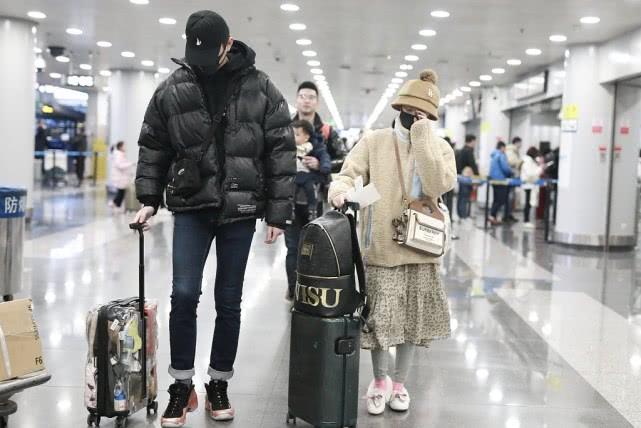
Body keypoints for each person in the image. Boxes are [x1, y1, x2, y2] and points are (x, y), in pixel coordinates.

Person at [131, 10, 295, 427]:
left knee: (229, 299)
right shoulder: (173, 88)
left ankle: (218, 381)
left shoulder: (262, 88)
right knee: (184, 295)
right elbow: (153, 144)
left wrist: (278, 213)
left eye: (210, 52)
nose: (202, 61)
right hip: (191, 206)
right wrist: (148, 198)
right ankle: (181, 385)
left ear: (229, 44)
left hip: (240, 210)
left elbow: (280, 150)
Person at [329, 69, 456, 416]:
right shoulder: (375, 141)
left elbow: (437, 185)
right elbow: (348, 174)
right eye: (411, 110)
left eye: (424, 113)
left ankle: (400, 383)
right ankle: (379, 381)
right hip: (382, 247)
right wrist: (341, 191)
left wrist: (423, 140)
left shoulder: (441, 148)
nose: (416, 116)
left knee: (412, 321)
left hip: (423, 248)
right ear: (399, 107)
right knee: (381, 320)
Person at [286, 120, 331, 300]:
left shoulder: (321, 142)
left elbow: (332, 164)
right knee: (293, 248)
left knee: (312, 248)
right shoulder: (285, 139)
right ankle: (293, 289)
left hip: (313, 204)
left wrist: (320, 166)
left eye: (297, 134)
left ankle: (309, 291)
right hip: (291, 205)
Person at [292, 81, 343, 170]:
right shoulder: (285, 130)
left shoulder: (327, 131)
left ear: (317, 103)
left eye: (311, 97)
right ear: (296, 100)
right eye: (302, 97)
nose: (307, 101)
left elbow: (343, 159)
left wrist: (321, 165)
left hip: (320, 178)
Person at [455, 134, 479, 220]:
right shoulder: (469, 151)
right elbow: (472, 164)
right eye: (474, 141)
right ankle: (464, 216)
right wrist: (477, 175)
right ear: (472, 141)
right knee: (465, 197)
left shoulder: (461, 150)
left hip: (461, 176)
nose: (475, 143)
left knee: (461, 196)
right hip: (467, 177)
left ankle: (460, 214)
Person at [488, 141, 513, 225]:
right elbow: (505, 168)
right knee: (501, 200)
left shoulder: (494, 155)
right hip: (501, 180)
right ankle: (492, 215)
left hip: (494, 180)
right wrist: (511, 172)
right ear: (502, 147)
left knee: (496, 199)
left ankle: (493, 217)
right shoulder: (501, 155)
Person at [521, 146, 543, 229]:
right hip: (528, 185)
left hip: (530, 184)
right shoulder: (528, 162)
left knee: (529, 203)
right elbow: (530, 173)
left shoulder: (530, 161)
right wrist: (540, 168)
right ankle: (526, 221)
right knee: (528, 203)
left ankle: (526, 220)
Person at [110, 141, 134, 212]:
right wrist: (130, 164)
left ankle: (115, 203)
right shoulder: (118, 155)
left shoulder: (119, 154)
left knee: (121, 191)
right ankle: (116, 205)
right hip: (120, 177)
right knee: (121, 192)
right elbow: (120, 165)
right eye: (124, 146)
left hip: (121, 177)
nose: (125, 147)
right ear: (120, 147)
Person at [504, 136, 523, 222]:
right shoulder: (511, 151)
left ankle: (509, 214)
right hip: (511, 175)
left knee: (511, 196)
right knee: (510, 196)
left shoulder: (514, 151)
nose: (521, 145)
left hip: (513, 175)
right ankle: (507, 215)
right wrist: (520, 162)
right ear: (516, 142)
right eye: (520, 143)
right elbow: (511, 162)